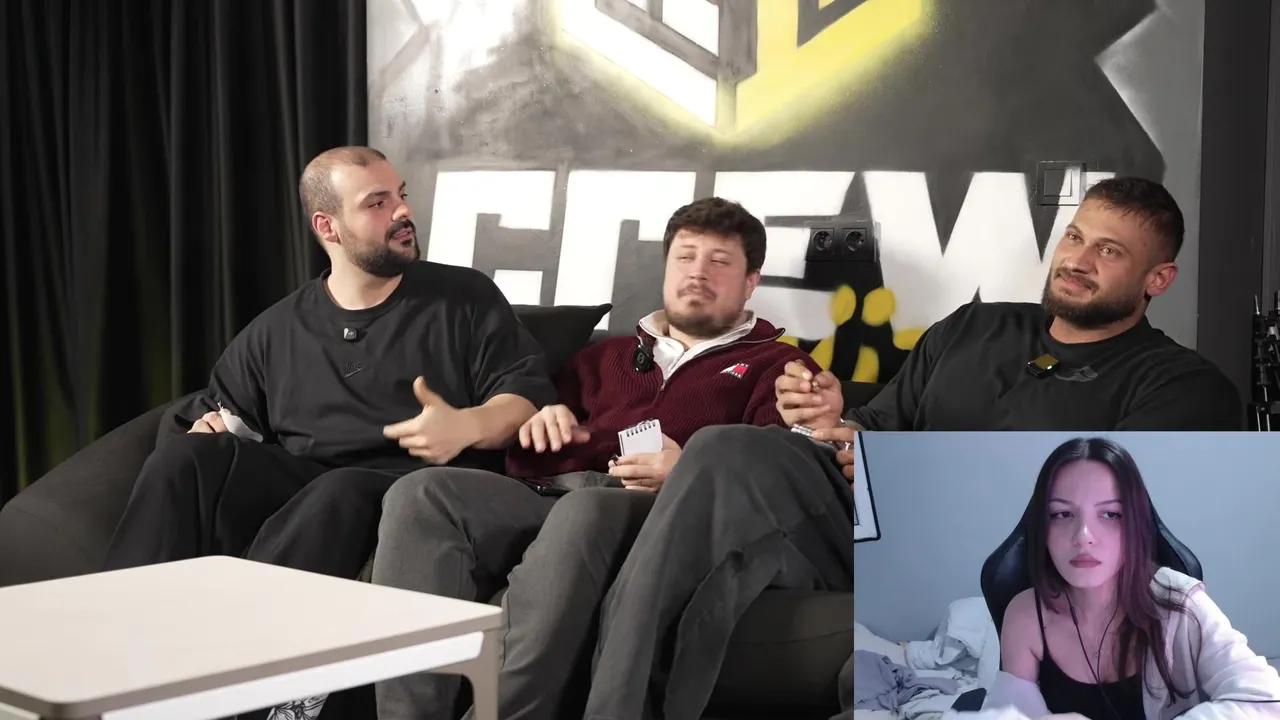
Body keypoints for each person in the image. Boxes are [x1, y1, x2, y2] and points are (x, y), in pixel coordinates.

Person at [370, 197, 824, 720]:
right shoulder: (602, 357)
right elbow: (527, 450)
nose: (697, 272)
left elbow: (775, 479)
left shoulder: (781, 367)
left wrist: (691, 474)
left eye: (719, 261)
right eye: (685, 257)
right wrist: (541, 425)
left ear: (750, 282)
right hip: (551, 492)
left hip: (658, 514)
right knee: (422, 493)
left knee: (585, 512)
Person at [102, 146, 553, 582]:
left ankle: (244, 619)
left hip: (413, 486)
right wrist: (205, 431)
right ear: (328, 226)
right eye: (378, 203)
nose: (402, 211)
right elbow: (213, 416)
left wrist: (467, 425)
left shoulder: (464, 297)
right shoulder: (277, 330)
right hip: (306, 483)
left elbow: (525, 397)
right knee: (185, 456)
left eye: (400, 195)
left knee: (339, 489)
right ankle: (113, 615)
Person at [777, 176, 1242, 432]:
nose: (1076, 262)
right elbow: (873, 431)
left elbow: (1107, 503)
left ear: (1158, 279)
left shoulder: (1183, 386)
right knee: (748, 446)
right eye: (1074, 237)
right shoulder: (971, 326)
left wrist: (891, 469)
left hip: (1016, 560)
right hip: (868, 526)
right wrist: (833, 423)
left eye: (1108, 251)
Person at [973, 437, 1280, 720]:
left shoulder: (1181, 604)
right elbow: (1011, 714)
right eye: (1062, 514)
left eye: (1110, 514)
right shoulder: (1026, 614)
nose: (1083, 536)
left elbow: (1267, 700)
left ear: (1135, 526)